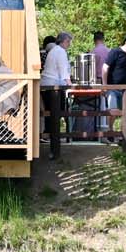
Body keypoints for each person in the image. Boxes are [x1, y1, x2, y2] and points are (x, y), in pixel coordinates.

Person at [103, 34, 126, 141]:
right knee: (113, 110)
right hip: (112, 87)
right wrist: (105, 85)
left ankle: (124, 135)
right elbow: (105, 67)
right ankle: (109, 132)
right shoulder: (115, 52)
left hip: (125, 89)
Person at [40, 31, 71, 160]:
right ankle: (54, 143)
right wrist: (69, 83)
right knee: (56, 114)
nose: (69, 44)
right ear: (64, 41)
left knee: (51, 114)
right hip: (54, 87)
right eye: (69, 42)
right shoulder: (60, 51)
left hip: (48, 85)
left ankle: (51, 138)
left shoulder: (54, 50)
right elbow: (63, 69)